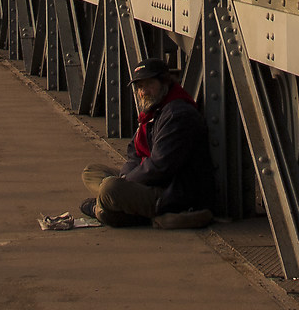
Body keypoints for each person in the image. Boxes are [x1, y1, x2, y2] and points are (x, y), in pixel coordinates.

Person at [81, 58, 212, 228]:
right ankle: (110, 205)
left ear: (164, 82)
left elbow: (159, 166)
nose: (144, 91)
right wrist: (125, 179)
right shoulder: (154, 112)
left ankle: (107, 208)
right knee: (91, 172)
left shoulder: (177, 114)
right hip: (153, 182)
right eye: (140, 87)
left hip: (172, 192)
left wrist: (126, 182)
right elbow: (134, 154)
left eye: (149, 84)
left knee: (110, 188)